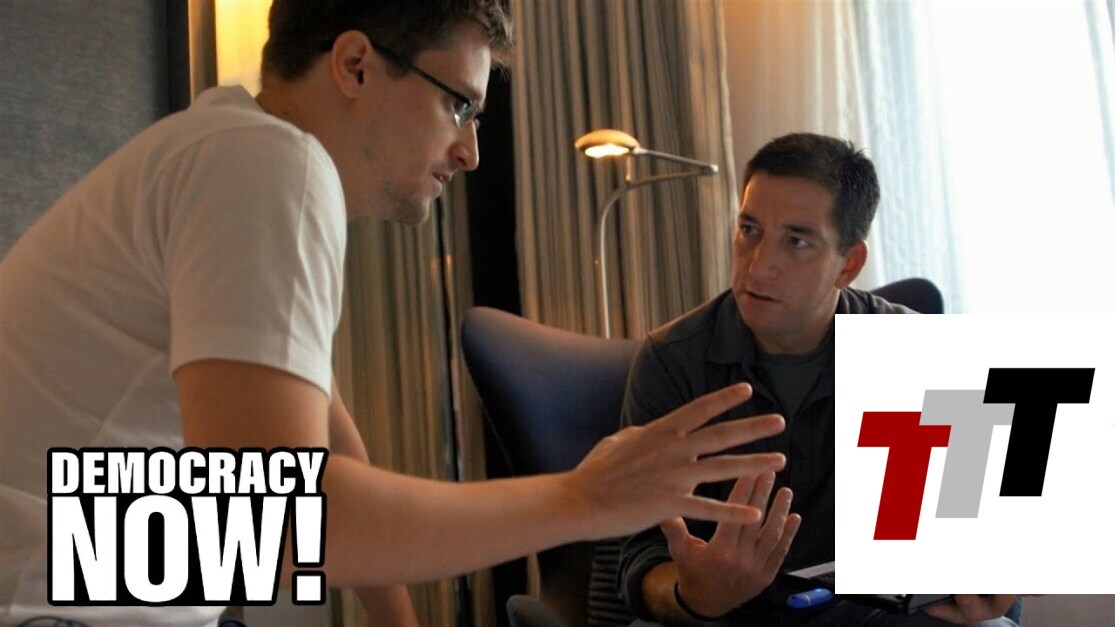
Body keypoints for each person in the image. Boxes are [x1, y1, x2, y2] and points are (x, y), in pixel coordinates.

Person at [0, 2, 791, 626]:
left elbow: (327, 426)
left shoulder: (223, 145)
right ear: (355, 65)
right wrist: (586, 498)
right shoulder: (267, 165)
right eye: (460, 106)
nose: (470, 151)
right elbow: (272, 517)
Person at [616, 133, 1021, 626]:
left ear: (848, 264)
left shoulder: (917, 349)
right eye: (749, 229)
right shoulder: (670, 361)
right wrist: (691, 595)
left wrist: (988, 587)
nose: (759, 266)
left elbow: (979, 542)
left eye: (797, 241)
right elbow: (638, 556)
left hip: (867, 615)